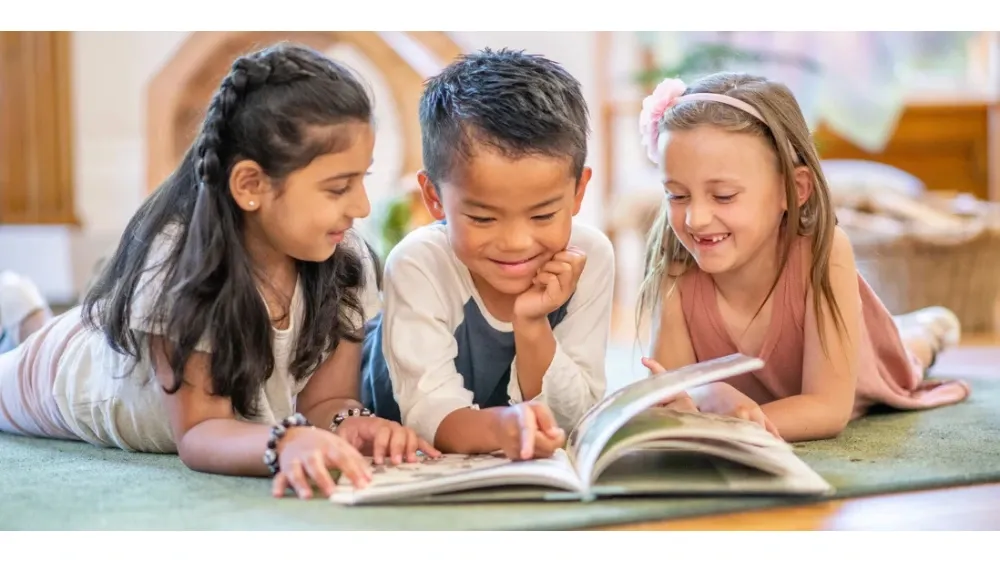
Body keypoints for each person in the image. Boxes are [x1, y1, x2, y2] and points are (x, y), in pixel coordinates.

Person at [0, 43, 440, 500]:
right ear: (250, 185)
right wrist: (284, 440)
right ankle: (25, 318)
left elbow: (325, 403)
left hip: (110, 348)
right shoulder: (181, 267)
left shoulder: (342, 259)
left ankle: (23, 313)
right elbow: (200, 432)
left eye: (362, 179)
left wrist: (353, 423)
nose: (362, 206)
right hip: (72, 378)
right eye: (337, 188)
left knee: (37, 331)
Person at [635, 72, 970, 443]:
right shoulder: (675, 268)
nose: (695, 218)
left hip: (857, 367)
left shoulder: (823, 253)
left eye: (724, 196)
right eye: (677, 195)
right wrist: (702, 395)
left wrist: (735, 422)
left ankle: (928, 329)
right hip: (754, 402)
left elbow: (827, 410)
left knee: (905, 358)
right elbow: (670, 392)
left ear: (793, 190)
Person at [360, 48, 615, 461]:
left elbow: (574, 417)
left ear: (578, 192)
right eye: (482, 218)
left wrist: (532, 324)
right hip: (391, 419)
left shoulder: (589, 257)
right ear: (434, 197)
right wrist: (508, 427)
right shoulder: (418, 263)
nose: (516, 242)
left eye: (543, 214)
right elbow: (428, 414)